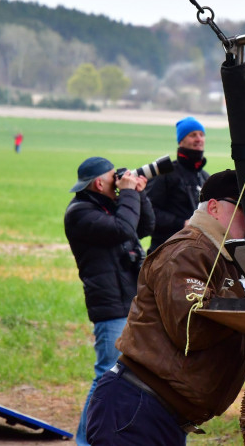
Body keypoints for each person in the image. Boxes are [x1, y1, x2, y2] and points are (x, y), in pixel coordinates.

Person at [87, 170, 245, 444]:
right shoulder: (190, 250)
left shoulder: (223, 257)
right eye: (243, 206)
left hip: (158, 413)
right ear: (214, 208)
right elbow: (191, 328)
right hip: (137, 408)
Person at [64, 156, 155, 446]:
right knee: (107, 374)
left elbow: (144, 226)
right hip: (109, 305)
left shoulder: (105, 206)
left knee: (130, 375)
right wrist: (127, 193)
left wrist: (138, 193)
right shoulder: (80, 213)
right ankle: (84, 441)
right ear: (98, 183)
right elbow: (122, 229)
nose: (118, 182)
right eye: (113, 178)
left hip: (129, 299)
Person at [146, 116, 209, 254]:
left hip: (196, 253)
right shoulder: (165, 173)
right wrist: (181, 224)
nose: (199, 139)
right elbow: (148, 212)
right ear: (181, 141)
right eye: (193, 135)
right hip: (165, 252)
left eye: (201, 134)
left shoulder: (205, 177)